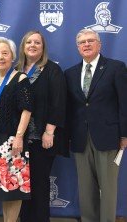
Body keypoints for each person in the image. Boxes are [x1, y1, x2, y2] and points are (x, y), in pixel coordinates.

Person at [65, 28, 127, 222]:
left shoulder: (116, 68)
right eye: (82, 42)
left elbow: (124, 103)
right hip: (80, 138)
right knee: (85, 189)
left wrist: (124, 135)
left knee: (107, 188)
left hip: (108, 136)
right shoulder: (70, 73)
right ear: (77, 47)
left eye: (91, 40)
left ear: (99, 44)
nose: (86, 44)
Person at [17, 31, 67, 222]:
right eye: (29, 42)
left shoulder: (52, 70)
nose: (32, 45)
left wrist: (49, 131)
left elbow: (58, 102)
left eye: (37, 42)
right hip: (19, 140)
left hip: (41, 139)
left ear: (43, 47)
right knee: (23, 185)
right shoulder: (17, 70)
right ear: (23, 46)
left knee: (39, 184)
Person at [0, 37, 33, 222]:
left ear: (12, 56)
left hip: (13, 141)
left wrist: (19, 137)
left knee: (14, 189)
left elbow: (27, 110)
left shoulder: (21, 79)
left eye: (5, 53)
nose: (0, 57)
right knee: (3, 190)